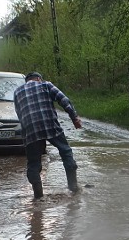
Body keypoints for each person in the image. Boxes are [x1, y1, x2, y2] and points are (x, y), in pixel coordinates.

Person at [13, 71, 83, 199]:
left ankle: (38, 197)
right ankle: (73, 189)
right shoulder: (46, 85)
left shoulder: (17, 92)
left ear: (27, 81)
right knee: (66, 152)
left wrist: (27, 137)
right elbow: (64, 100)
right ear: (39, 78)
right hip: (49, 124)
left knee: (33, 164)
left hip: (31, 129)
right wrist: (74, 118)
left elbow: (20, 115)